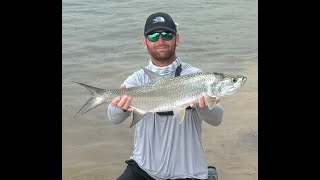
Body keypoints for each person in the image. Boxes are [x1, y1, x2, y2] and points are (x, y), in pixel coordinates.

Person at [107, 12, 223, 180]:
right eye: (153, 36)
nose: (160, 41)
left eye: (167, 35)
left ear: (177, 39)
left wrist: (204, 107)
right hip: (143, 168)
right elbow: (113, 118)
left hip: (188, 171)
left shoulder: (196, 77)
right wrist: (121, 109)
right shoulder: (137, 79)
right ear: (144, 42)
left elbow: (217, 119)